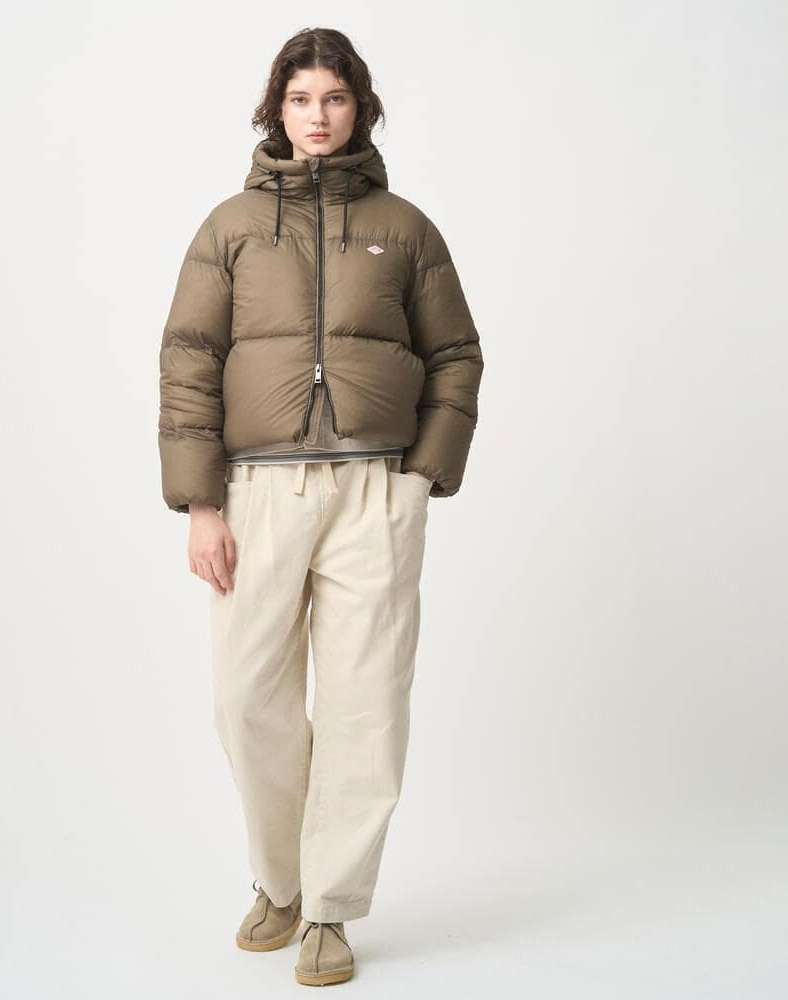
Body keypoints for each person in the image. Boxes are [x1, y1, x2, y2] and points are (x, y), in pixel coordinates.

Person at [158, 27, 483, 987]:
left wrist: (420, 476)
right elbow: (189, 362)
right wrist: (200, 503)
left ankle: (331, 909)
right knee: (245, 698)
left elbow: (456, 356)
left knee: (364, 704)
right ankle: (282, 882)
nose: (317, 116)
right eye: (301, 99)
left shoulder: (405, 228)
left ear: (360, 109)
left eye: (334, 99)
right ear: (277, 108)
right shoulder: (229, 227)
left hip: (374, 490)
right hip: (257, 492)